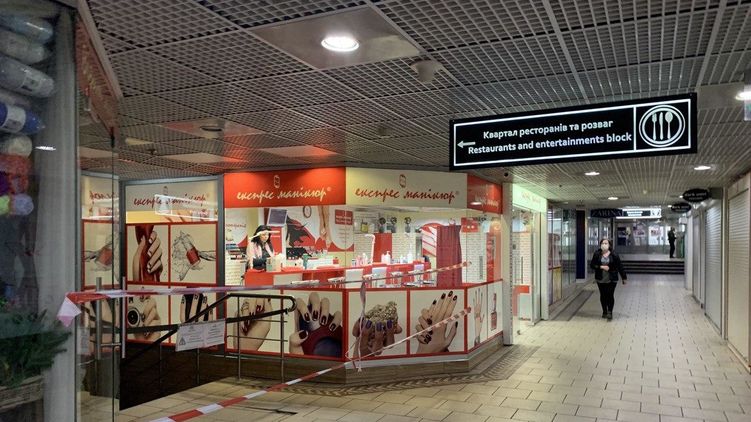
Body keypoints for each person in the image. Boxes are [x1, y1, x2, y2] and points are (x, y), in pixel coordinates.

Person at [590, 238, 627, 320]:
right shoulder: (597, 254)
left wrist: (624, 277)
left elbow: (619, 266)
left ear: (609, 245)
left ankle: (610, 312)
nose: (604, 245)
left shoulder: (614, 254)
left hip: (612, 278)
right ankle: (604, 311)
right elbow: (592, 265)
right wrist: (601, 267)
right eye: (602, 243)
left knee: (610, 295)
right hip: (600, 278)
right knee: (603, 295)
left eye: (606, 243)